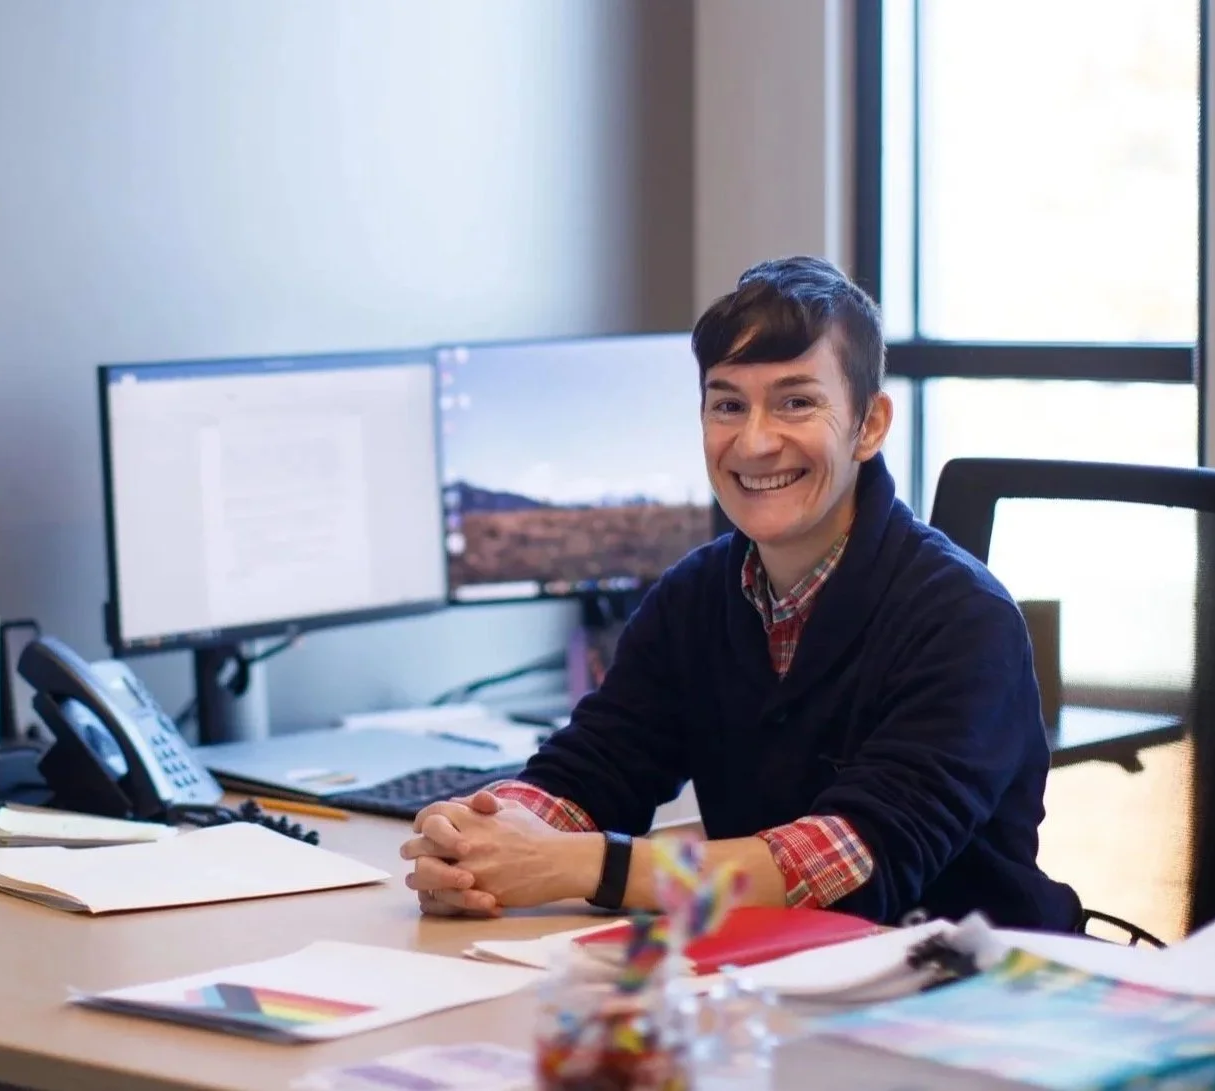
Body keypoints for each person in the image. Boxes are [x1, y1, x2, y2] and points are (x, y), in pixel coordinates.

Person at [399, 255, 1081, 932]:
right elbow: (591, 772)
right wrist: (479, 834)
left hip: (965, 995)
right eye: (728, 404)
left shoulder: (963, 619)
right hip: (769, 982)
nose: (754, 442)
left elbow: (850, 865)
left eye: (795, 402)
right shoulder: (693, 597)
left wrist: (580, 864)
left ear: (869, 425)